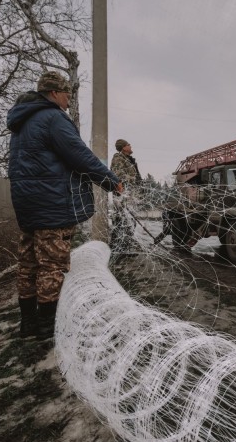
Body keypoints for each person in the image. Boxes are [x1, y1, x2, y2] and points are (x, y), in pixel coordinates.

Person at [7, 71, 123, 339]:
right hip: (52, 202)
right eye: (66, 93)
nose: (69, 99)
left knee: (28, 263)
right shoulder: (53, 118)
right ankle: (48, 327)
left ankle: (28, 324)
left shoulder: (21, 122)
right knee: (52, 264)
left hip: (26, 203)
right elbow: (80, 156)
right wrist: (111, 182)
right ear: (53, 93)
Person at [110, 139, 142, 252]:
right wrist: (134, 180)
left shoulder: (129, 160)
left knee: (129, 219)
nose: (130, 145)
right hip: (122, 194)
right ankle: (120, 247)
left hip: (129, 194)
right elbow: (118, 176)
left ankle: (125, 244)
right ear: (123, 147)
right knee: (122, 219)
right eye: (128, 144)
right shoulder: (118, 158)